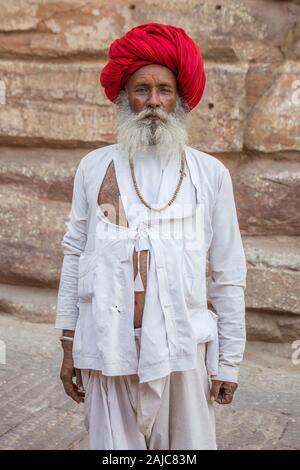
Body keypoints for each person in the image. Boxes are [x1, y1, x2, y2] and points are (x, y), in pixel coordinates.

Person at [55, 22, 247, 450]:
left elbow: (228, 272)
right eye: (142, 89)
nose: (153, 102)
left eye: (164, 90)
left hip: (184, 349)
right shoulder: (93, 167)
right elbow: (74, 255)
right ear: (125, 96)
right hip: (106, 347)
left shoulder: (210, 174)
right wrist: (68, 343)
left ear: (180, 98)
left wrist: (228, 363)